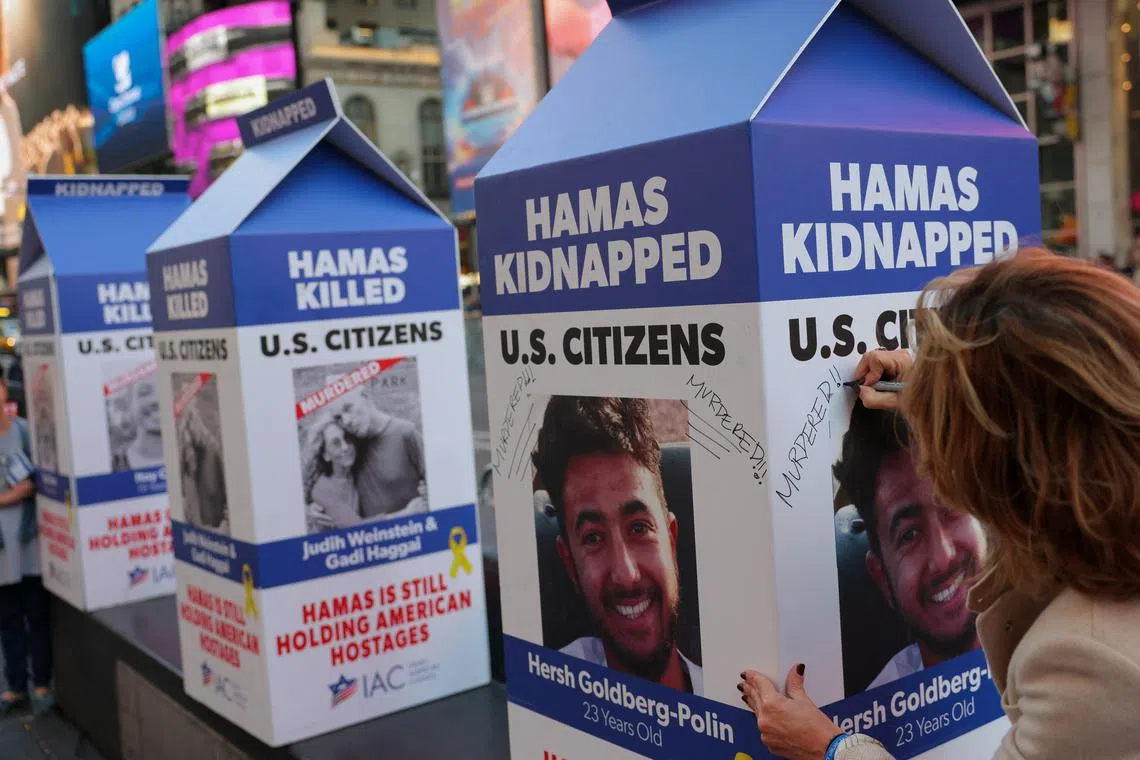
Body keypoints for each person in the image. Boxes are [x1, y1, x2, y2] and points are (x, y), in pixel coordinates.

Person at [739, 249, 1140, 760]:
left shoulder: (1085, 659)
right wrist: (938, 384)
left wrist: (832, 747)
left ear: (1011, 464)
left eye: (954, 438)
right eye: (907, 532)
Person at [532, 396, 703, 695]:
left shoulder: (740, 704)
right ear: (570, 564)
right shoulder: (552, 687)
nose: (626, 576)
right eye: (593, 538)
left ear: (671, 538)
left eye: (639, 528)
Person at [833, 402, 985, 690]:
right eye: (910, 535)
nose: (943, 557)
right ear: (882, 578)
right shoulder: (876, 715)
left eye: (951, 507)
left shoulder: (1048, 637)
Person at [0, 376, 52, 713]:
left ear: (4, 389)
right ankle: (15, 684)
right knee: (8, 619)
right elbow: (20, 490)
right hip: (3, 552)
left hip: (31, 542)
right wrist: (10, 497)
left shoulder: (25, 432)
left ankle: (42, 684)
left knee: (37, 615)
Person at [331, 388, 427, 519]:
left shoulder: (406, 433)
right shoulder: (347, 447)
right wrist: (314, 507)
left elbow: (437, 482)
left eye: (348, 408)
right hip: (372, 535)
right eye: (338, 417)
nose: (346, 421)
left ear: (366, 397)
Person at [304, 415, 363, 532]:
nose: (345, 447)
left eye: (347, 438)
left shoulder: (354, 470)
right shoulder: (322, 490)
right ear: (326, 455)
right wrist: (405, 513)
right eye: (336, 443)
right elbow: (357, 528)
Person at [110, 378, 165, 471]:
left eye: (165, 390)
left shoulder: (193, 458)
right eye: (145, 392)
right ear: (129, 404)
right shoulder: (113, 465)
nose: (156, 400)